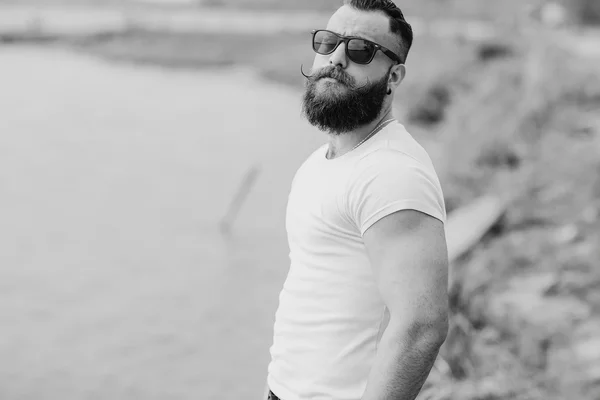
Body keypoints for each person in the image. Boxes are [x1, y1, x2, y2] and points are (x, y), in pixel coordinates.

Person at [265, 1, 449, 399]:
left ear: (394, 75)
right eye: (328, 42)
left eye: (360, 50)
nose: (336, 58)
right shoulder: (323, 161)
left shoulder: (392, 172)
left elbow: (421, 326)